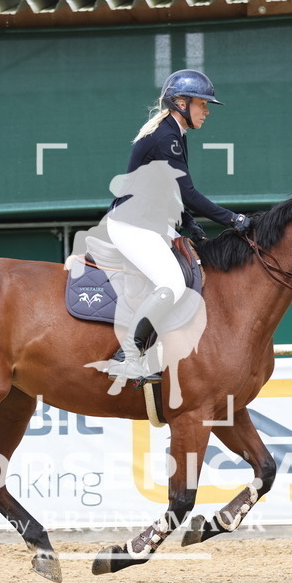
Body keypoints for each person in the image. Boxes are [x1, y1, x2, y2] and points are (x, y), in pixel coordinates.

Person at [104, 69, 252, 384]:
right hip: (132, 225)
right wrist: (232, 219)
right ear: (181, 103)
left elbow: (169, 191)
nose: (207, 111)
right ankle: (127, 356)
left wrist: (189, 224)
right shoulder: (166, 137)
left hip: (153, 224)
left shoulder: (174, 134)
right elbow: (187, 192)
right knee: (172, 284)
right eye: (203, 104)